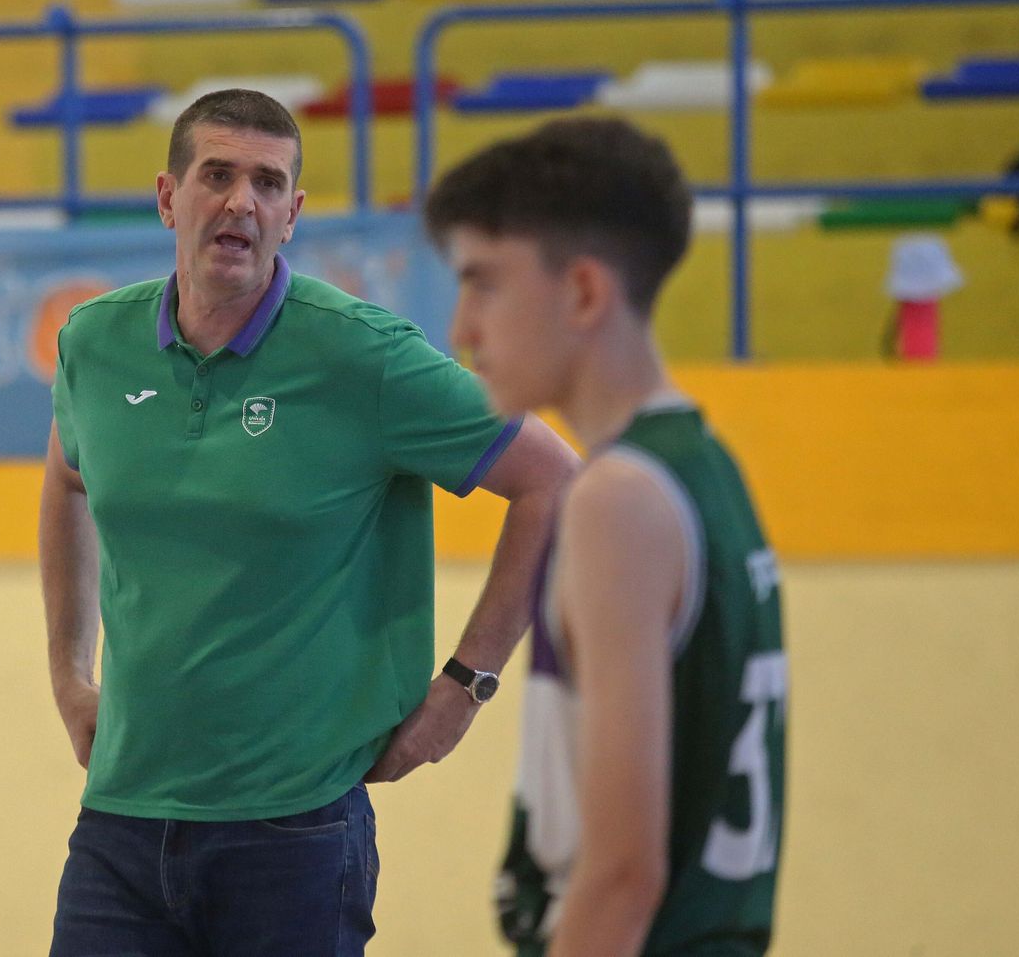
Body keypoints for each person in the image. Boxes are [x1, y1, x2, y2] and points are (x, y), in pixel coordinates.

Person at [39, 88, 578, 955]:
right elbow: (68, 478)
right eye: (216, 175)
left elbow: (556, 483)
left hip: (294, 834)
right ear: (168, 196)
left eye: (267, 183)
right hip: (122, 820)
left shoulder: (362, 356)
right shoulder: (93, 343)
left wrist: (465, 689)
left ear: (292, 216)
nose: (240, 202)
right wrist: (69, 671)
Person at [426, 117, 788, 957]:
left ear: (584, 293)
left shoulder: (615, 501)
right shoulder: (706, 466)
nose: (462, 329)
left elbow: (622, 875)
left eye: (484, 284)